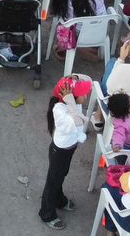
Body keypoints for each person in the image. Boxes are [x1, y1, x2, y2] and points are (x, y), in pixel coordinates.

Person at [38, 75, 89, 229]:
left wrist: (73, 78)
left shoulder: (71, 104)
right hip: (59, 151)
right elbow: (79, 122)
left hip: (68, 148)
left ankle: (59, 200)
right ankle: (47, 213)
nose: (86, 96)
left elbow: (86, 77)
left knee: (61, 175)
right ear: (70, 98)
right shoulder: (60, 110)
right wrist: (71, 101)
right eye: (82, 94)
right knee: (53, 182)